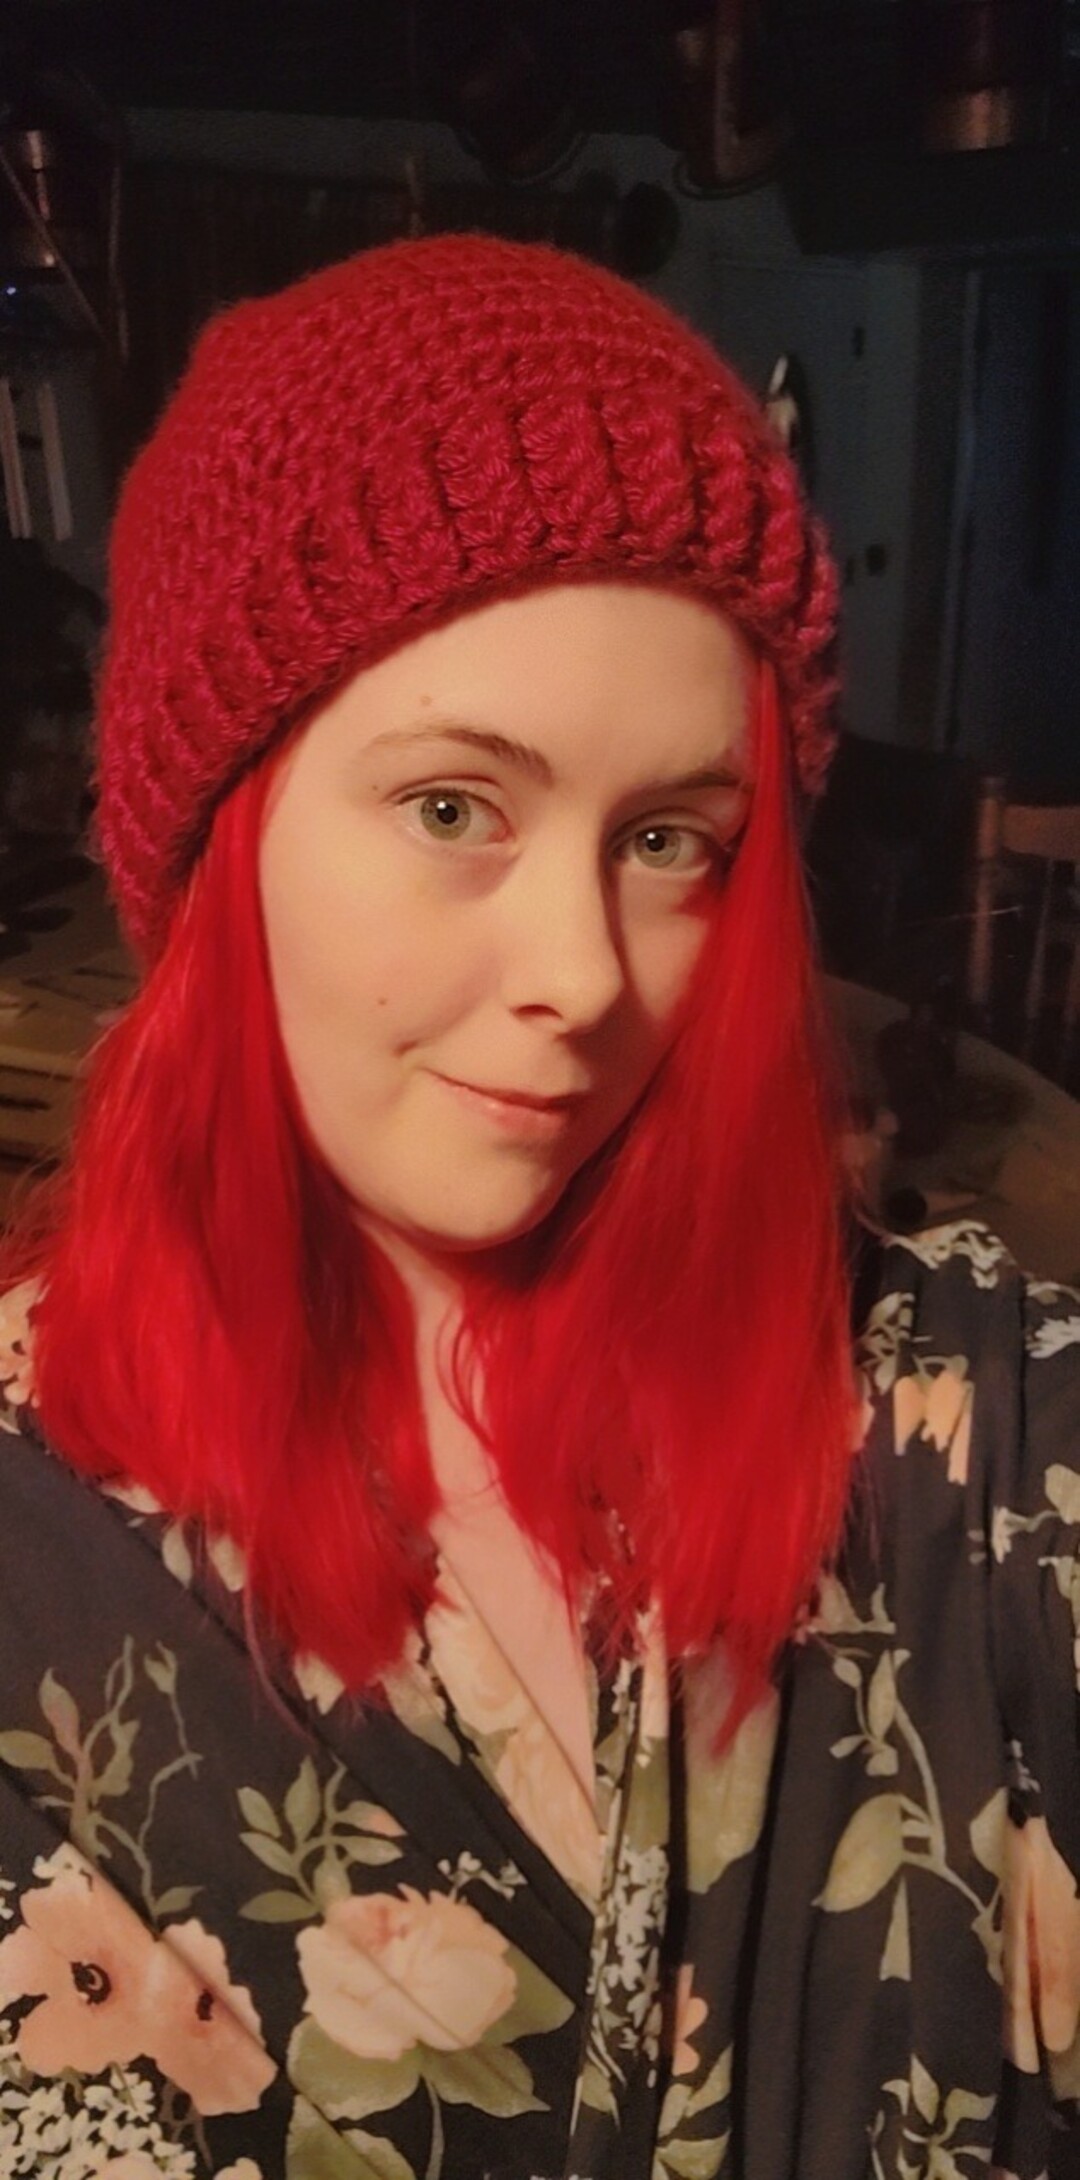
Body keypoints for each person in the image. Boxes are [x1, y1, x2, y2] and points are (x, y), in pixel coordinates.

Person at [0, 235, 1076, 2180]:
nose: (584, 973)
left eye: (669, 840)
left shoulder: (964, 1424)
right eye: (453, 808)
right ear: (221, 831)